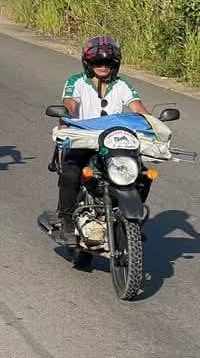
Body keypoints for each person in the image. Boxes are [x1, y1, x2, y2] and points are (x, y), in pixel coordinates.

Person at [50, 36, 149, 246]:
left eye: (107, 63)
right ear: (88, 64)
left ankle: (133, 222)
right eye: (97, 62)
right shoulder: (76, 81)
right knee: (70, 173)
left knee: (142, 174)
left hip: (114, 142)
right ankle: (66, 221)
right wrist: (67, 114)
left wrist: (153, 124)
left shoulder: (122, 85)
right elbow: (70, 103)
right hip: (84, 140)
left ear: (115, 65)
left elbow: (138, 108)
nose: (102, 67)